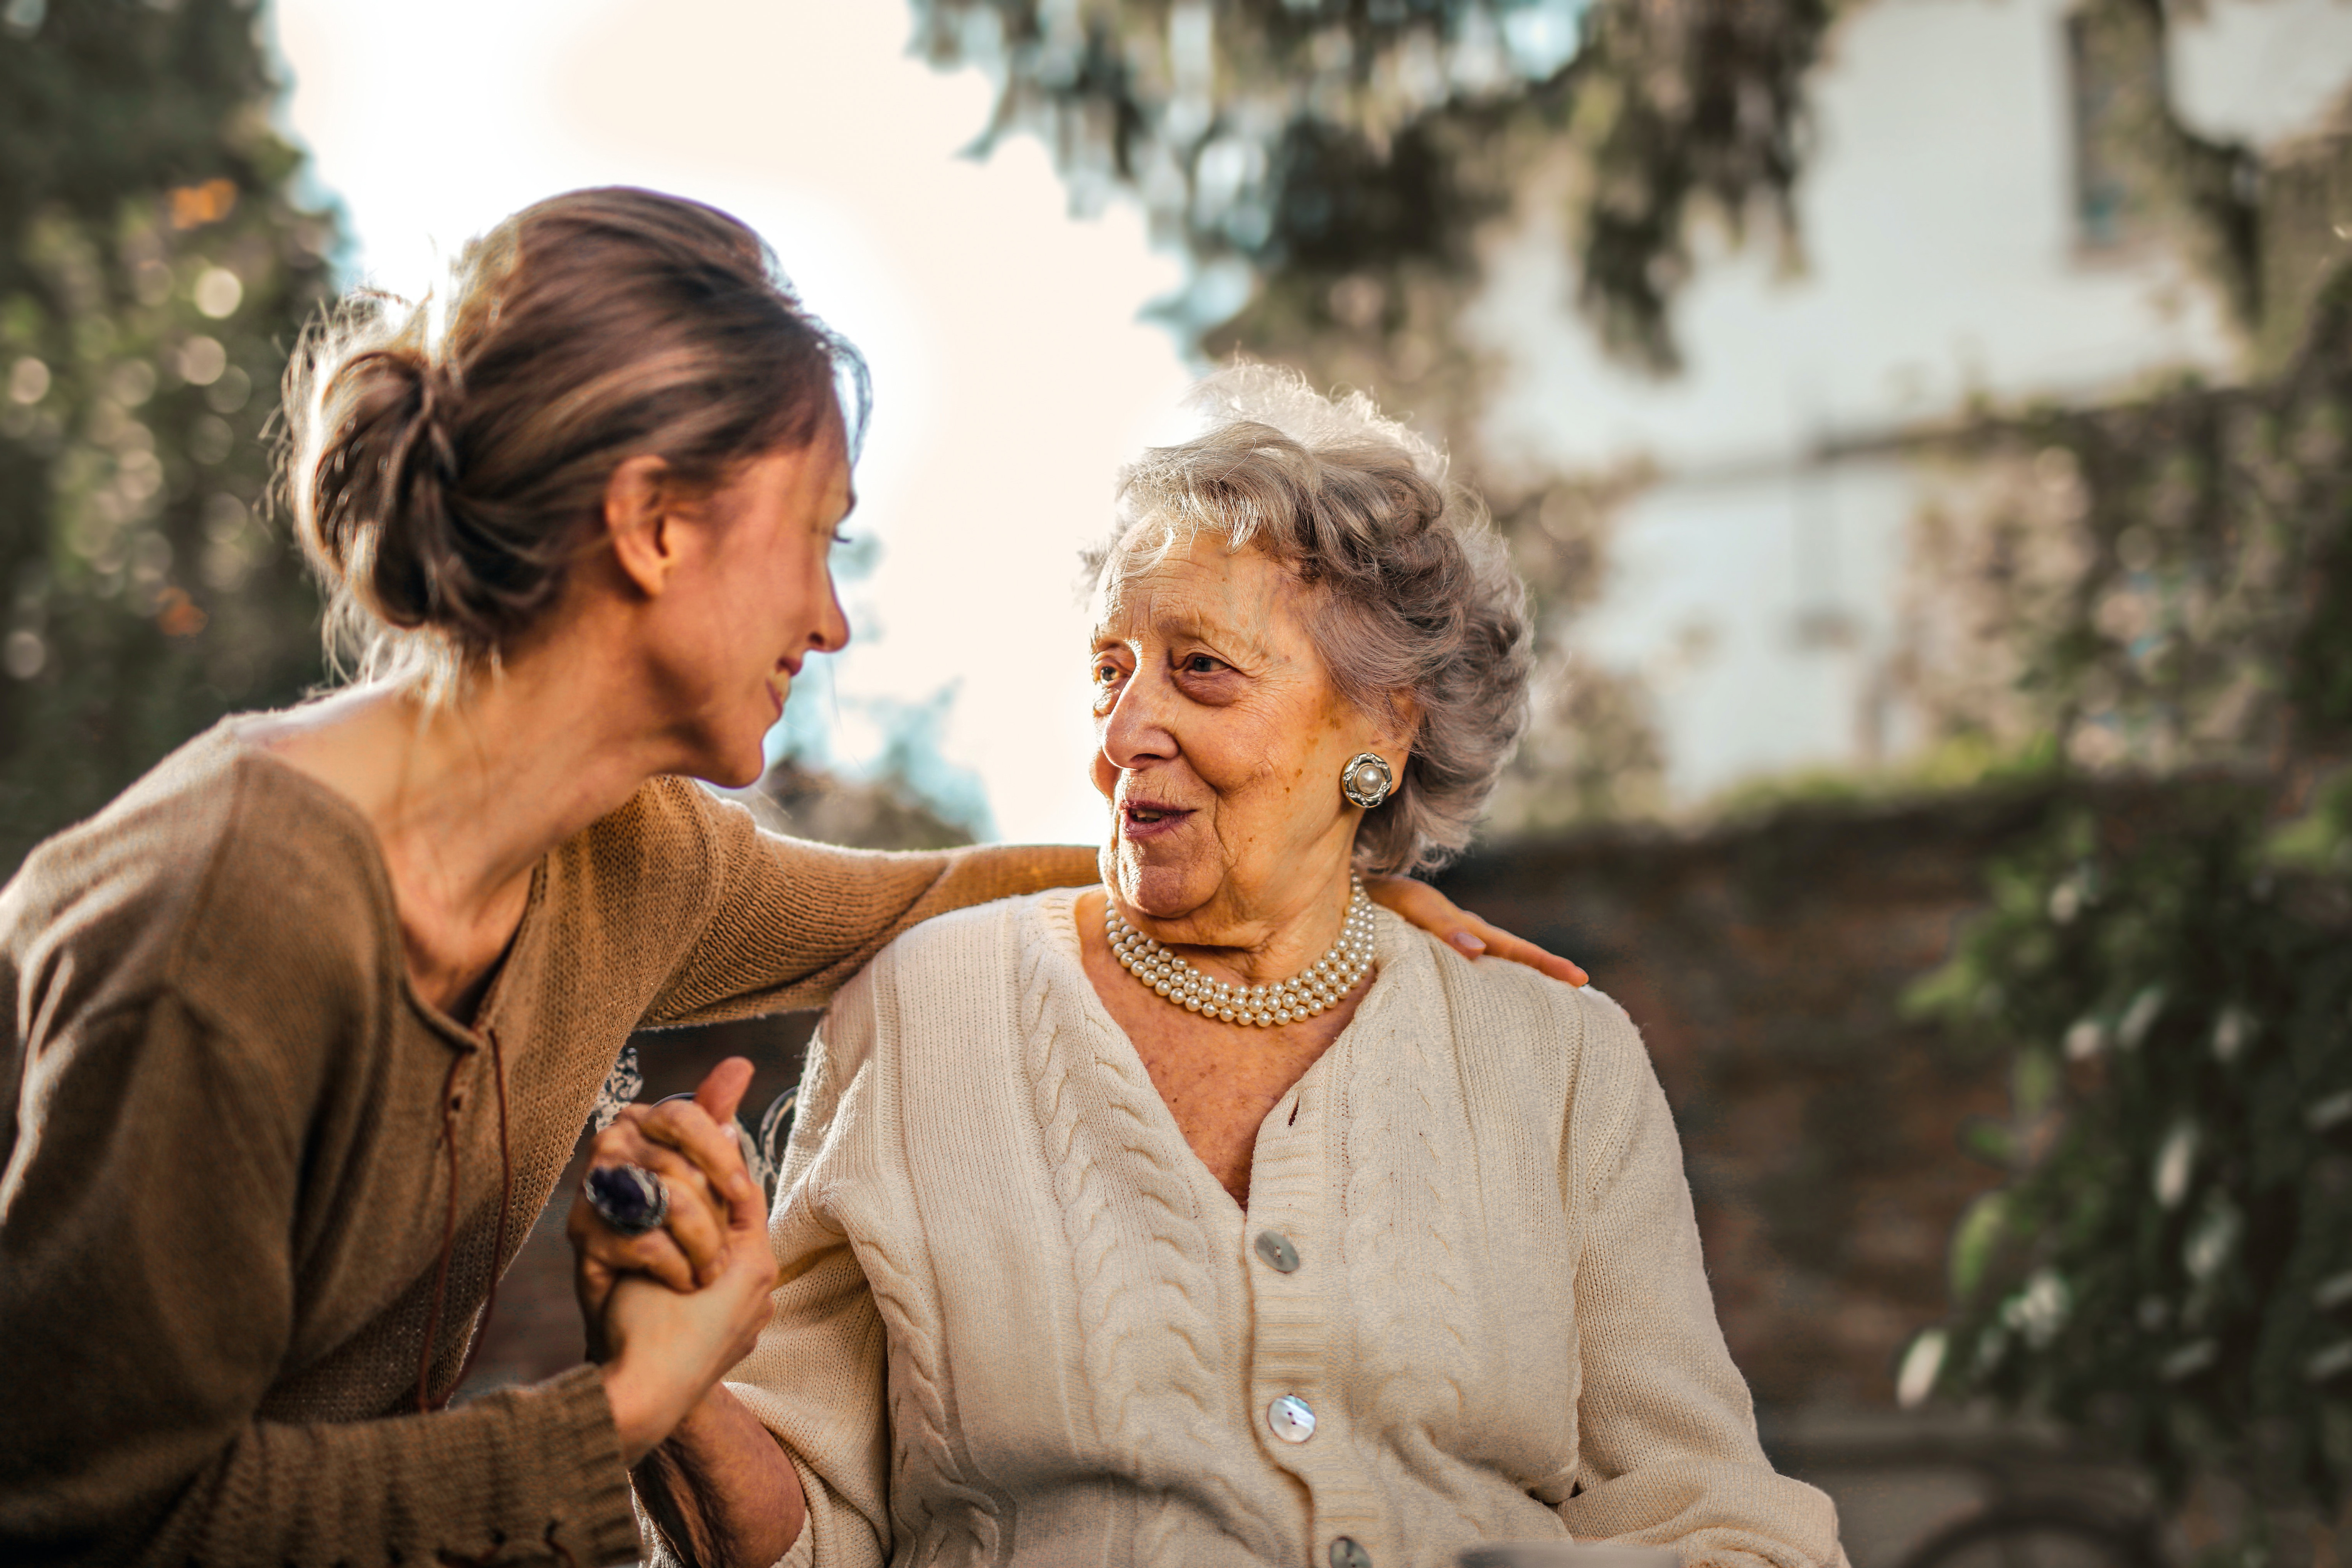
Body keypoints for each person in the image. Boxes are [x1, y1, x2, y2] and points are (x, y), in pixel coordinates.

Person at [0, 193, 1574, 1568]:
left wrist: (1300, 888)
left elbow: (917, 900)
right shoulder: (233, 921)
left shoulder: (622, 857)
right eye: (814, 538)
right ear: (653, 526)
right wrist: (628, 1406)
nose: (829, 620)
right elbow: (95, 1516)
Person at [617, 367, 1848, 1568]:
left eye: (1200, 667)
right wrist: (673, 1387)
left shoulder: (1559, 1059)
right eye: (1111, 670)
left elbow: (1709, 1513)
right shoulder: (924, 1012)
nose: (1119, 733)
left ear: (1383, 724)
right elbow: (804, 1534)